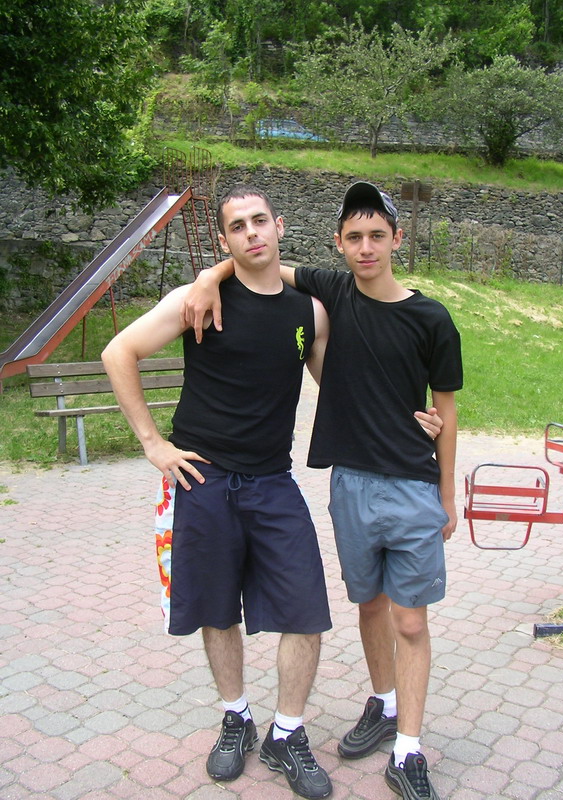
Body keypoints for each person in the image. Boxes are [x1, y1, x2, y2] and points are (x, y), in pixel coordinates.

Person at [182, 181, 463, 800]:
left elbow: (446, 408)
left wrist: (448, 493)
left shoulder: (432, 318)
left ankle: (407, 749)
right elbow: (260, 263)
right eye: (354, 237)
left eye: (378, 236)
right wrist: (209, 275)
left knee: (409, 620)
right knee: (369, 606)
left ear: (397, 239)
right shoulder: (331, 291)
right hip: (350, 484)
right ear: (338, 243)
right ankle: (382, 705)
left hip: (412, 485)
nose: (366, 248)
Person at [101, 185, 334, 800]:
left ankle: (287, 733)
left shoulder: (309, 312)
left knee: (306, 610)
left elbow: (340, 386)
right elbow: (118, 351)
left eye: (260, 220)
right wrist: (153, 443)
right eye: (238, 226)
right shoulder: (198, 299)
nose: (252, 233)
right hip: (201, 480)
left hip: (273, 481)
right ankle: (237, 717)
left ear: (279, 226)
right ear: (225, 239)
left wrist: (411, 416)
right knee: (216, 610)